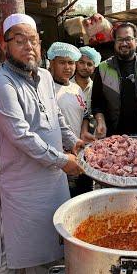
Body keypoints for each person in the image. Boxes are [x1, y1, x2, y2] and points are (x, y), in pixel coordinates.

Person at [0, 14, 84, 274]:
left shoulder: (42, 76)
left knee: (45, 233)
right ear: (4, 45)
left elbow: (54, 118)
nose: (29, 46)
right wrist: (63, 161)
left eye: (34, 40)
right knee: (6, 247)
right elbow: (21, 136)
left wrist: (74, 142)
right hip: (15, 181)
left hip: (49, 174)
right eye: (20, 40)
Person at [90, 21, 137, 138]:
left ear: (136, 42)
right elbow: (97, 102)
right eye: (119, 39)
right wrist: (100, 121)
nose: (124, 43)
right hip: (112, 135)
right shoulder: (103, 68)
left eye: (128, 39)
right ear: (115, 42)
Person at [47, 42, 93, 196]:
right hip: (60, 156)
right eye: (62, 62)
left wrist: (84, 131)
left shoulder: (76, 88)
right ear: (52, 62)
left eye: (71, 62)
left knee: (85, 193)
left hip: (79, 150)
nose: (67, 67)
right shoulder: (47, 89)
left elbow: (85, 114)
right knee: (66, 197)